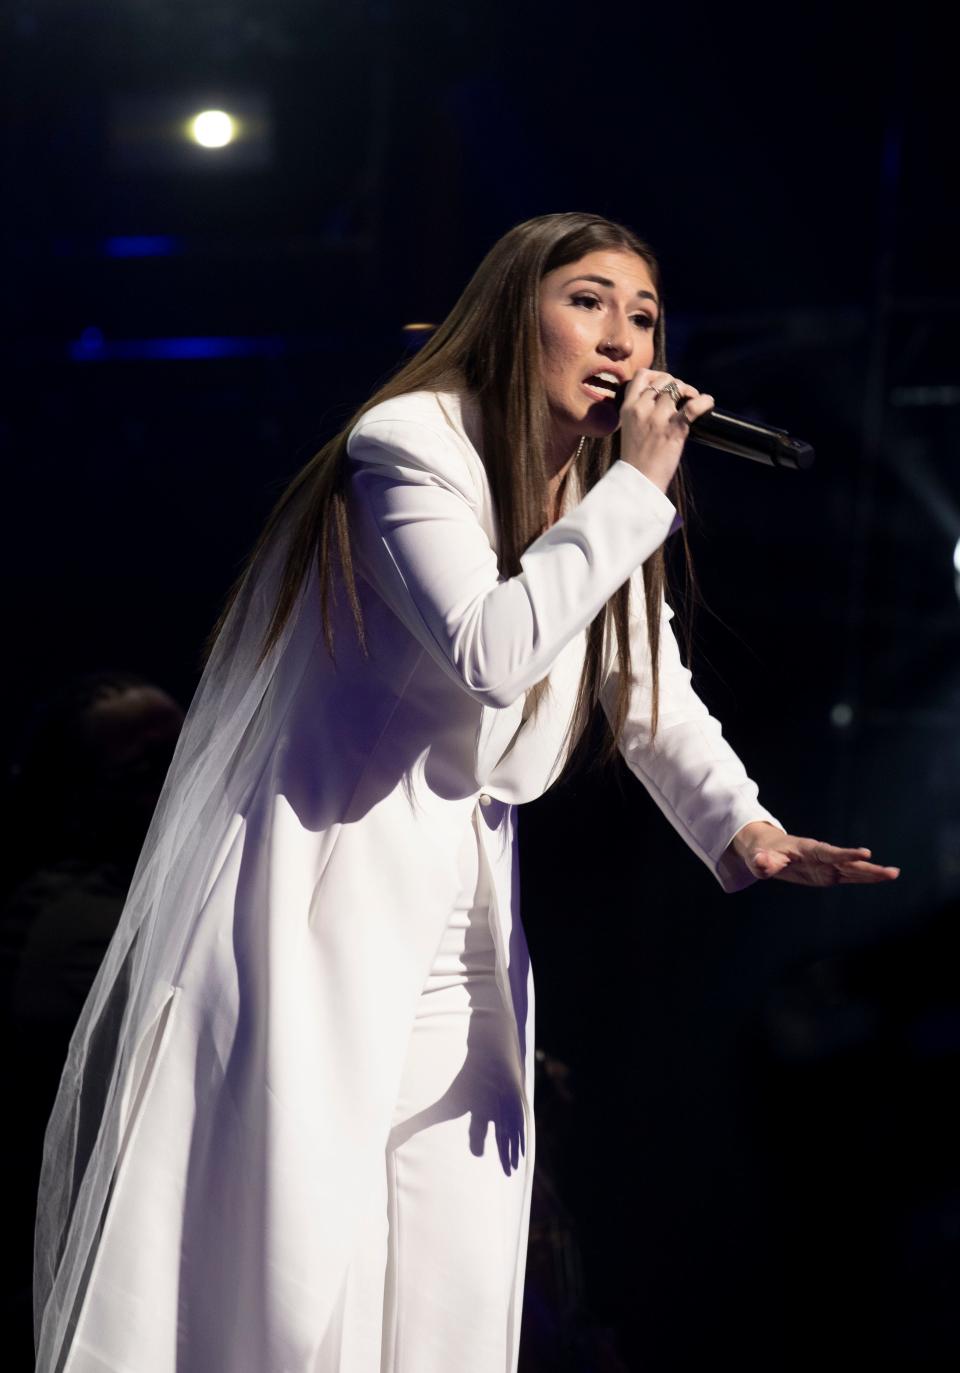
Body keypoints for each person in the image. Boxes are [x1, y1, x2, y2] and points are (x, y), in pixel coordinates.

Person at [32, 211, 899, 1373]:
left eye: (644, 315)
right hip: (326, 884)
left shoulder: (594, 495)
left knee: (459, 1251)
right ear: (509, 311)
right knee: (303, 1251)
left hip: (465, 895)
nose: (626, 337)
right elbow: (488, 647)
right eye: (589, 299)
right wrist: (637, 488)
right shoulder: (410, 444)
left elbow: (645, 686)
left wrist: (742, 826)